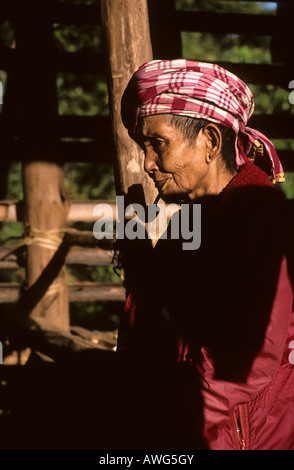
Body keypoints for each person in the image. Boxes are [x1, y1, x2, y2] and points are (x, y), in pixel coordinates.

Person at [117, 59, 294, 450]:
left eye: (157, 143)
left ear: (211, 142)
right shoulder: (193, 224)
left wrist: (158, 418)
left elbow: (247, 361)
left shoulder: (260, 221)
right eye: (142, 146)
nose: (146, 163)